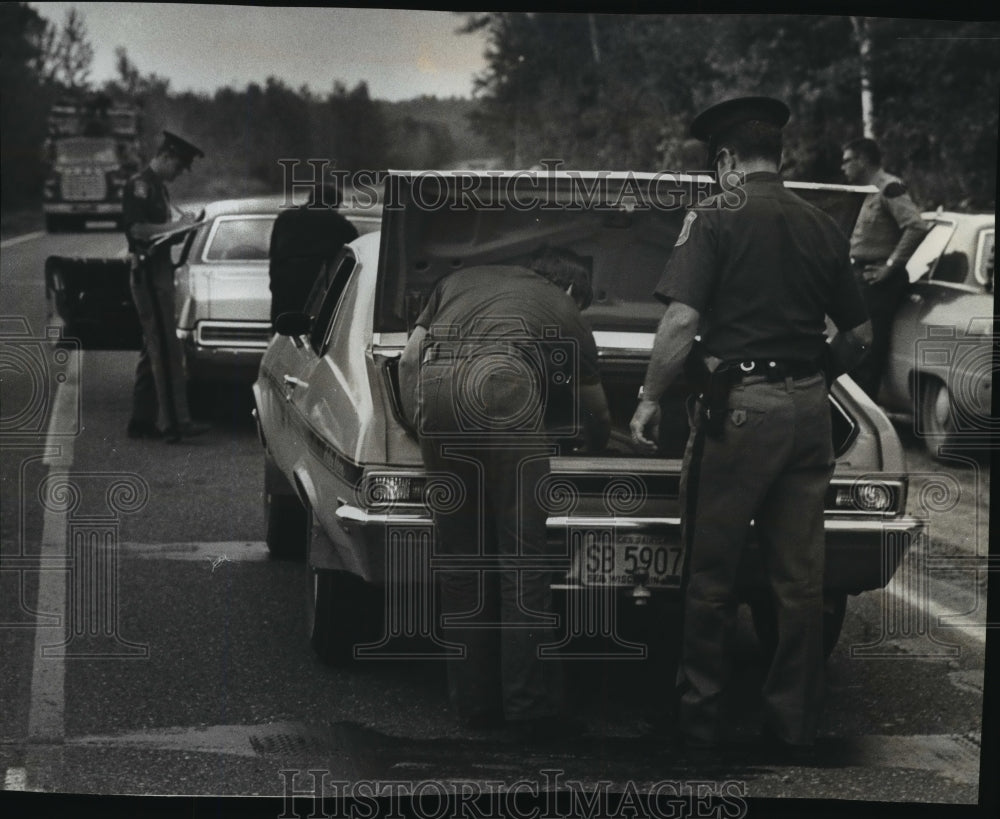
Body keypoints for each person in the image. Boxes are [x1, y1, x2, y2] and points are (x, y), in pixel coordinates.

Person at [629, 97, 872, 755]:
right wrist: (813, 369)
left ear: (728, 161)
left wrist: (651, 397)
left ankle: (696, 722)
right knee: (800, 583)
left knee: (711, 574)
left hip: (742, 413)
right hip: (808, 413)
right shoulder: (822, 224)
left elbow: (680, 323)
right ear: (777, 155)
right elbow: (860, 334)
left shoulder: (715, 215)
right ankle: (792, 725)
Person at [398, 247, 611, 740]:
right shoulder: (563, 308)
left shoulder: (460, 279)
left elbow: (409, 357)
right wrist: (590, 447)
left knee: (461, 563)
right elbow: (596, 412)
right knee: (523, 563)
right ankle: (529, 707)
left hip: (438, 387)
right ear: (575, 291)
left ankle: (474, 706)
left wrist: (419, 421)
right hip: (503, 388)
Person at [124, 131, 210, 443]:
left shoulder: (158, 189)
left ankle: (142, 421)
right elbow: (138, 230)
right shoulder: (141, 186)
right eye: (178, 166)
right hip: (148, 274)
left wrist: (185, 227)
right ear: (167, 156)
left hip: (158, 270)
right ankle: (176, 423)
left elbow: (160, 233)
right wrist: (175, 226)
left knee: (153, 349)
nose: (178, 173)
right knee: (166, 350)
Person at [841, 137, 929, 401]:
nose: (842, 167)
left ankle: (865, 414)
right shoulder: (864, 192)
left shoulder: (889, 187)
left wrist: (890, 266)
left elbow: (916, 226)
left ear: (862, 160)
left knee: (868, 350)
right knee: (853, 345)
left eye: (847, 161)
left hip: (878, 282)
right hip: (860, 277)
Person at [268, 173, 359, 324]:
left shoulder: (285, 218)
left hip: (283, 286)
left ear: (310, 198)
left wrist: (275, 284)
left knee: (283, 330)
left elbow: (274, 255)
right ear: (335, 203)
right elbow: (355, 256)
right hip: (316, 290)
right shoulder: (340, 224)